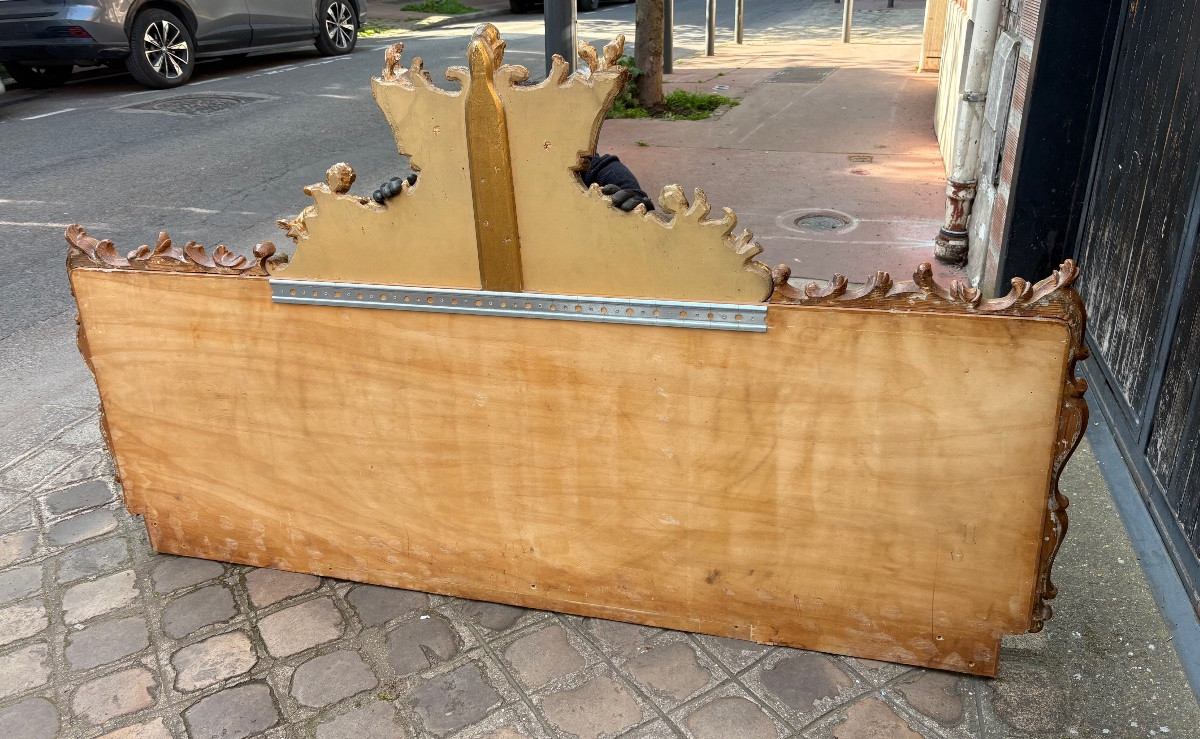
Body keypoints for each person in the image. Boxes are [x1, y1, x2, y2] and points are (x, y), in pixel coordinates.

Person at [371, 154, 653, 212]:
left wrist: (640, 208)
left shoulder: (590, 168)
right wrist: (394, 208)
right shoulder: (462, 172)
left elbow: (642, 206)